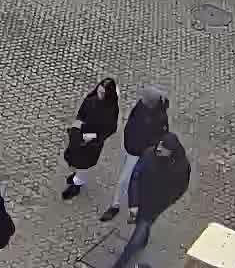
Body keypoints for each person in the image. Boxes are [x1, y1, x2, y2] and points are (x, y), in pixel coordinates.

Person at [113, 131, 191, 268]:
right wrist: (133, 203)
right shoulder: (150, 153)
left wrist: (165, 202)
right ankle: (143, 240)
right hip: (140, 200)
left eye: (164, 147)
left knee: (137, 237)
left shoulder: (181, 167)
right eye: (160, 144)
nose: (159, 148)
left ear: (172, 152)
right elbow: (136, 176)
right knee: (142, 226)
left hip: (153, 207)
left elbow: (180, 189)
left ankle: (120, 263)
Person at [100, 85, 169, 223]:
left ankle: (116, 205)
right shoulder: (142, 106)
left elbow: (160, 138)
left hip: (138, 153)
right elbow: (132, 119)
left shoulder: (160, 118)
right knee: (130, 179)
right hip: (129, 147)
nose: (141, 100)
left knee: (124, 180)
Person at [63, 78, 119, 199]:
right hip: (80, 134)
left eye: (103, 93)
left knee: (84, 166)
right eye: (99, 91)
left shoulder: (111, 109)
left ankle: (76, 185)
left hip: (93, 143)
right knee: (75, 157)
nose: (99, 95)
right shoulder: (91, 100)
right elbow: (81, 114)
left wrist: (94, 137)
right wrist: (77, 126)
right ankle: (76, 176)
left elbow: (110, 129)